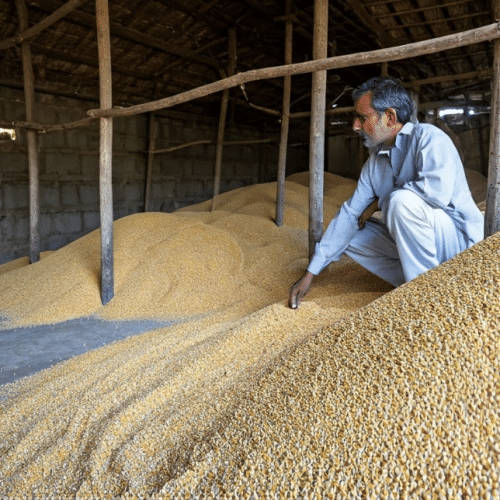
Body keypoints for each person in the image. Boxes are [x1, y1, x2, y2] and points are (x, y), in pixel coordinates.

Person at [289, 76, 484, 309]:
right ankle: (418, 281)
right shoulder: (374, 164)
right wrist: (311, 273)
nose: (355, 126)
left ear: (390, 117)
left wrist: (380, 202)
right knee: (350, 232)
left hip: (459, 244)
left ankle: (426, 296)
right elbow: (350, 213)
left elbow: (436, 193)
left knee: (399, 202)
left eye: (363, 117)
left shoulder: (428, 138)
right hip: (425, 248)